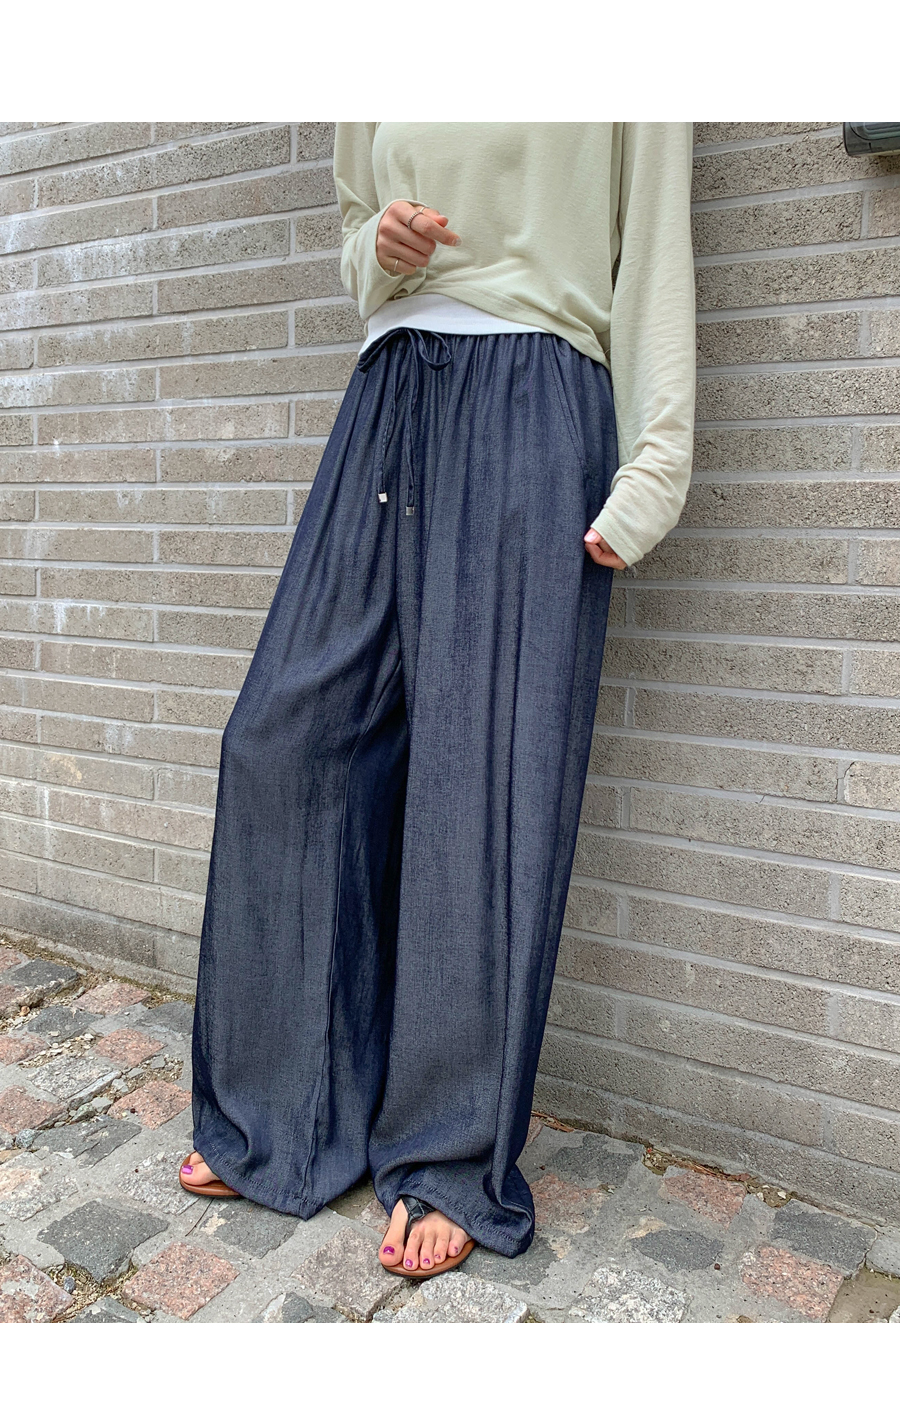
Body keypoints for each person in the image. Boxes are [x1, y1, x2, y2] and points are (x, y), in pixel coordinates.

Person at [179, 122, 696, 1280]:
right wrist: (380, 245)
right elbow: (350, 236)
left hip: (533, 392)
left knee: (480, 782)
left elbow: (655, 250)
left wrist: (655, 466)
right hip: (388, 392)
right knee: (284, 745)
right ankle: (286, 1113)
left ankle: (447, 1154)